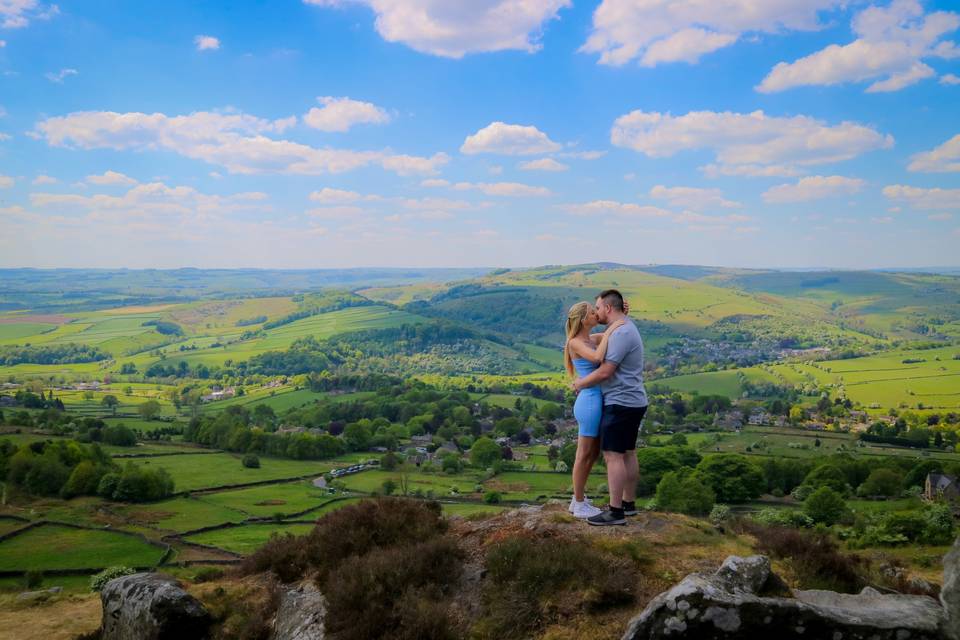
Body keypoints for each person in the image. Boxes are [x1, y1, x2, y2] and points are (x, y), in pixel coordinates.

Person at [572, 289, 648, 526]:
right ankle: (628, 504)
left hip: (620, 400)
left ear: (607, 308)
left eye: (598, 307)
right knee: (627, 452)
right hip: (631, 400)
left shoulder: (621, 331)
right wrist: (619, 320)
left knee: (613, 455)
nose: (596, 312)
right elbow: (599, 343)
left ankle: (616, 512)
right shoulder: (622, 328)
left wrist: (580, 384)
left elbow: (605, 370)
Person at [563, 302, 624, 518]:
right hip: (589, 402)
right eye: (591, 313)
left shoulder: (591, 338)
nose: (595, 314)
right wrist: (609, 333)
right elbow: (598, 357)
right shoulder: (576, 343)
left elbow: (610, 332)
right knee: (584, 454)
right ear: (582, 319)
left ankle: (577, 499)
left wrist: (620, 315)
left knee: (592, 453)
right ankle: (579, 503)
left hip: (594, 399)